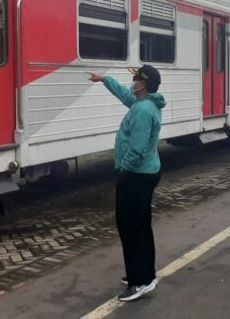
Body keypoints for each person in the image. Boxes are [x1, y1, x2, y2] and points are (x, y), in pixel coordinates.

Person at [88, 65, 166, 301]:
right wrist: (105, 79)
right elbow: (124, 94)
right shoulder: (144, 103)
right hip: (143, 173)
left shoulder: (143, 110)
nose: (132, 82)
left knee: (131, 228)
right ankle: (145, 274)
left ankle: (139, 281)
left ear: (143, 84)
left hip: (136, 175)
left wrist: (124, 167)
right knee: (141, 227)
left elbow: (138, 148)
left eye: (135, 79)